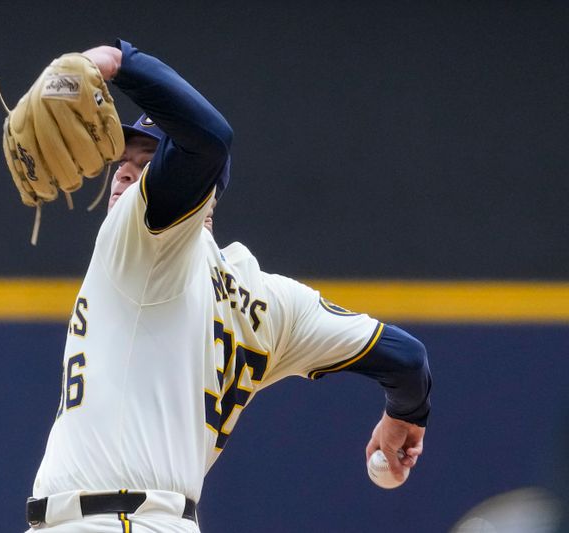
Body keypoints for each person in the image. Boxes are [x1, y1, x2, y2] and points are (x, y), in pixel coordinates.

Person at [24, 40, 431, 533]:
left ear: (200, 194)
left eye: (149, 160)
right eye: (122, 159)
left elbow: (208, 140)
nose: (124, 172)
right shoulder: (270, 301)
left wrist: (117, 60)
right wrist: (404, 414)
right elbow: (407, 360)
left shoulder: (145, 235)